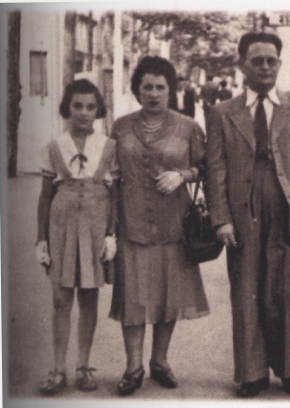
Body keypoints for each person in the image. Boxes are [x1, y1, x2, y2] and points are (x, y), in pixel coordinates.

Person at [206, 32, 290, 398]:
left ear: (279, 64)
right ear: (242, 65)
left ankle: (287, 368)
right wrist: (221, 219)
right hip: (243, 210)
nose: (266, 67)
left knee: (287, 295)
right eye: (257, 60)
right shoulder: (223, 112)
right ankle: (252, 373)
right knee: (248, 292)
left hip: (288, 210)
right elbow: (215, 170)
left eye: (272, 60)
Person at [108, 56, 209, 396]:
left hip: (174, 225)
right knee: (134, 298)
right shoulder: (120, 127)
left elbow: (204, 168)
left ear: (171, 90)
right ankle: (133, 367)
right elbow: (110, 176)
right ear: (137, 89)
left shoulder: (188, 127)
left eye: (160, 87)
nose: (153, 93)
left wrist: (181, 175)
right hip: (131, 224)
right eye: (147, 86)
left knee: (168, 297)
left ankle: (160, 361)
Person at [36, 79, 118, 394]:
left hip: (96, 228)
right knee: (60, 299)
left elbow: (117, 195)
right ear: (67, 108)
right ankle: (57, 369)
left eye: (90, 107)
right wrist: (40, 239)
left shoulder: (109, 147)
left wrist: (111, 234)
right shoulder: (54, 147)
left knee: (89, 296)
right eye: (77, 106)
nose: (84, 113)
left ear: (98, 111)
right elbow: (45, 198)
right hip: (61, 227)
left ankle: (83, 366)